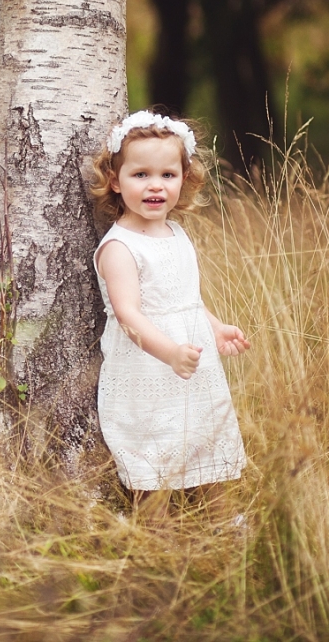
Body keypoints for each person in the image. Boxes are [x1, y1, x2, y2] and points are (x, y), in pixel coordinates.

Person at [91, 110, 249, 520]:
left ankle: (225, 527)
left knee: (207, 440)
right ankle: (156, 539)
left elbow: (186, 299)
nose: (155, 186)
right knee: (153, 453)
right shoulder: (120, 247)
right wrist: (170, 353)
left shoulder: (176, 233)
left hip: (192, 367)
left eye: (168, 175)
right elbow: (128, 315)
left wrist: (215, 329)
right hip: (148, 369)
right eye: (140, 175)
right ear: (115, 180)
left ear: (185, 178)